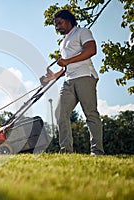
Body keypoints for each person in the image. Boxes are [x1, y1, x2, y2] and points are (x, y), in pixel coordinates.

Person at [44, 10, 104, 155]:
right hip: (68, 80)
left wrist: (67, 61)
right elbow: (66, 66)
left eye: (59, 23)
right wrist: (54, 76)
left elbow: (91, 49)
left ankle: (97, 151)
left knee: (90, 113)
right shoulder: (63, 42)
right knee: (60, 113)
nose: (57, 27)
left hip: (85, 76)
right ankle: (66, 151)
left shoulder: (82, 32)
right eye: (55, 25)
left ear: (68, 20)